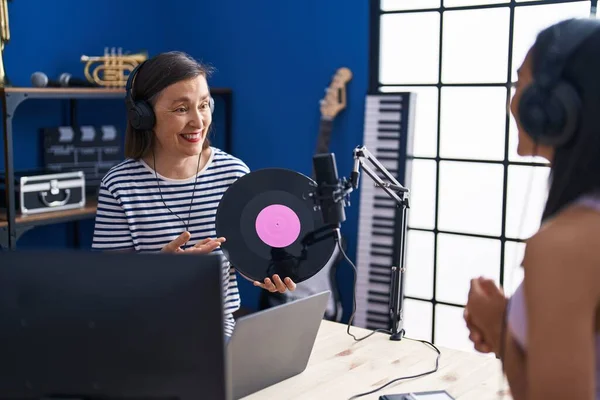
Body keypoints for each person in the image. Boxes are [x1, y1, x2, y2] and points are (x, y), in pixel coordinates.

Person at [91, 51, 296, 337]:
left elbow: (246, 259)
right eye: (180, 109)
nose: (198, 121)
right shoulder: (120, 185)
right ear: (144, 116)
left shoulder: (233, 173)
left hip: (217, 331)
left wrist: (268, 274)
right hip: (144, 333)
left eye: (203, 105)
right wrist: (163, 268)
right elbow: (107, 285)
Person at [464, 18, 600, 400]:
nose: (513, 102)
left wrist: (500, 328)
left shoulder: (564, 247)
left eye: (520, 83)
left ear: (552, 108)